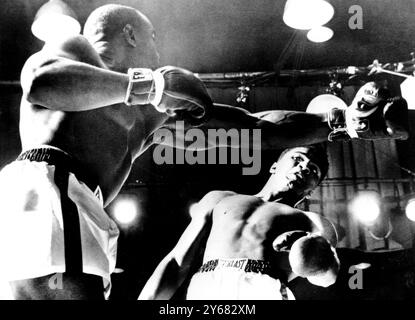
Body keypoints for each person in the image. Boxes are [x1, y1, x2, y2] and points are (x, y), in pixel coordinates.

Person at [0, 2, 407, 300]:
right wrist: (147, 86)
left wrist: (339, 125)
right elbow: (41, 83)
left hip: (79, 203)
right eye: (154, 41)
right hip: (48, 185)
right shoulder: (79, 48)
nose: (158, 54)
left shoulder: (149, 116)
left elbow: (255, 127)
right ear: (130, 34)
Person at [138, 144, 340, 300]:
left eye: (313, 170)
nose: (303, 167)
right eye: (297, 158)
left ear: (312, 190)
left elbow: (328, 277)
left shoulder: (313, 222)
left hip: (264, 289)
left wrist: (308, 245)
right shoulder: (219, 199)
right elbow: (177, 262)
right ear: (274, 165)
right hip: (208, 286)